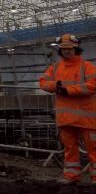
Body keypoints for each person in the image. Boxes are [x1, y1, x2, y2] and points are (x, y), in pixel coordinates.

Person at [39, 34, 96, 184]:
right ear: (60, 50)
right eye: (64, 49)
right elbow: (43, 82)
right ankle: (71, 176)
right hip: (67, 119)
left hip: (87, 118)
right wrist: (54, 86)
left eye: (70, 48)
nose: (67, 51)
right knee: (70, 150)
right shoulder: (55, 68)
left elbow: (93, 85)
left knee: (94, 150)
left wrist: (69, 90)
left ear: (76, 48)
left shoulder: (87, 66)